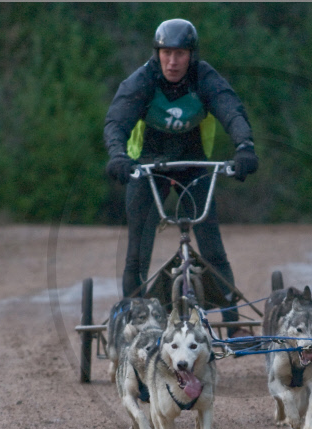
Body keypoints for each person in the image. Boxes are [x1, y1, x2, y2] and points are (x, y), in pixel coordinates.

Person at [104, 18, 258, 334]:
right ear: (157, 53)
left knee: (212, 247)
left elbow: (231, 110)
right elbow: (116, 122)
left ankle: (233, 324)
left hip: (194, 166)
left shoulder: (204, 78)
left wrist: (244, 145)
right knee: (137, 250)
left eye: (180, 54)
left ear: (191, 55)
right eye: (166, 53)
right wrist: (118, 155)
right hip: (148, 167)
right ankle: (133, 325)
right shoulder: (143, 81)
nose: (172, 62)